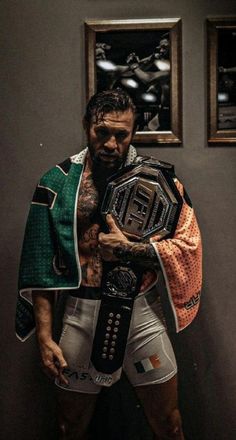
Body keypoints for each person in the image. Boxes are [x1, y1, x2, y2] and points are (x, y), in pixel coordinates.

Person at [16, 88, 202, 440]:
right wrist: (43, 336)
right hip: (80, 314)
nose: (111, 144)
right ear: (87, 126)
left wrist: (129, 250)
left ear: (133, 134)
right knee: (69, 427)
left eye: (122, 135)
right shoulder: (56, 182)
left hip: (141, 313)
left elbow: (188, 245)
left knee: (170, 425)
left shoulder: (161, 182)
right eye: (102, 132)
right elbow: (39, 262)